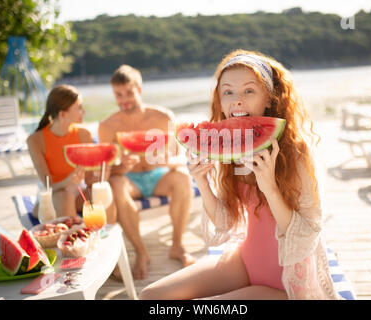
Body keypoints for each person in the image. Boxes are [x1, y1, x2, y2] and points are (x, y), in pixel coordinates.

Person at [139, 49, 342, 300]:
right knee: (151, 296)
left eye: (248, 91)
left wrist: (270, 188)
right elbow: (225, 221)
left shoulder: (298, 152)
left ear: (268, 98)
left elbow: (307, 231)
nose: (236, 100)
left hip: (290, 282)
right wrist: (202, 182)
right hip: (246, 262)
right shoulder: (229, 145)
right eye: (228, 92)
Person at [99, 65, 196, 280]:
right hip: (130, 179)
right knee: (115, 184)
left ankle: (177, 245)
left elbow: (180, 158)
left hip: (158, 175)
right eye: (118, 94)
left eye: (129, 93)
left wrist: (167, 160)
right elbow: (103, 170)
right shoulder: (108, 126)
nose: (124, 99)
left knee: (182, 177)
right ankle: (141, 253)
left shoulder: (162, 117)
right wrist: (120, 167)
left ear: (139, 90)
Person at [27, 84, 96, 218]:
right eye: (79, 108)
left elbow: (89, 180)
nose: (84, 112)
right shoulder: (35, 141)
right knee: (65, 196)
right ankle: (73, 234)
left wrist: (103, 174)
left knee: (103, 192)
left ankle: (105, 232)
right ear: (63, 114)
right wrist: (68, 182)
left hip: (79, 192)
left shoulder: (84, 134)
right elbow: (48, 185)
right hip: (54, 192)